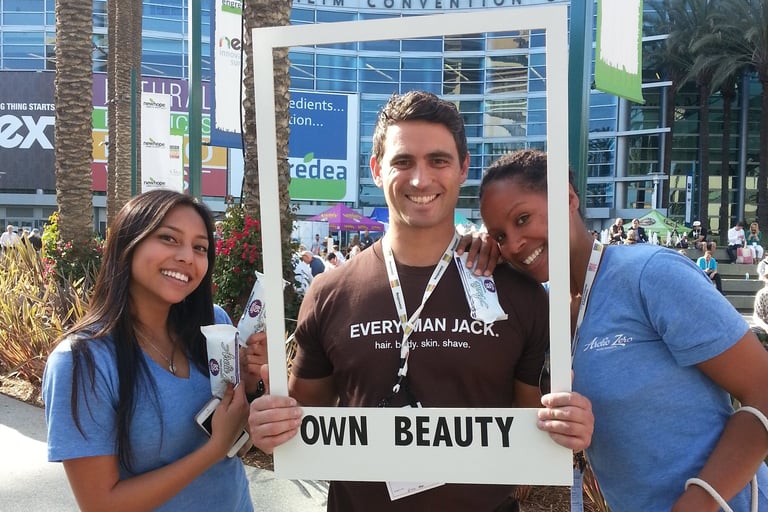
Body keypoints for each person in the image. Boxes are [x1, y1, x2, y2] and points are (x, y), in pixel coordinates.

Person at [248, 92, 593, 512]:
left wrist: (565, 423)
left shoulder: (518, 294)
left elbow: (530, 427)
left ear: (463, 168)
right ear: (377, 170)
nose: (420, 179)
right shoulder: (329, 292)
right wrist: (270, 419)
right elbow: (305, 416)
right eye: (402, 162)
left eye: (438, 160)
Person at [479, 148, 768, 511]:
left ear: (568, 198)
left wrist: (700, 500)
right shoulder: (546, 307)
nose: (515, 244)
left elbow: (763, 389)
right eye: (499, 237)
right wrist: (468, 254)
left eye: (522, 218)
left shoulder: (650, 274)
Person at [42, 190, 260, 511]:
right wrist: (213, 448)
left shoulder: (214, 326)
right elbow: (101, 504)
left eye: (200, 247)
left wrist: (253, 386)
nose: (187, 256)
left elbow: (238, 447)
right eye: (169, 239)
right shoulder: (82, 361)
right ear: (128, 244)